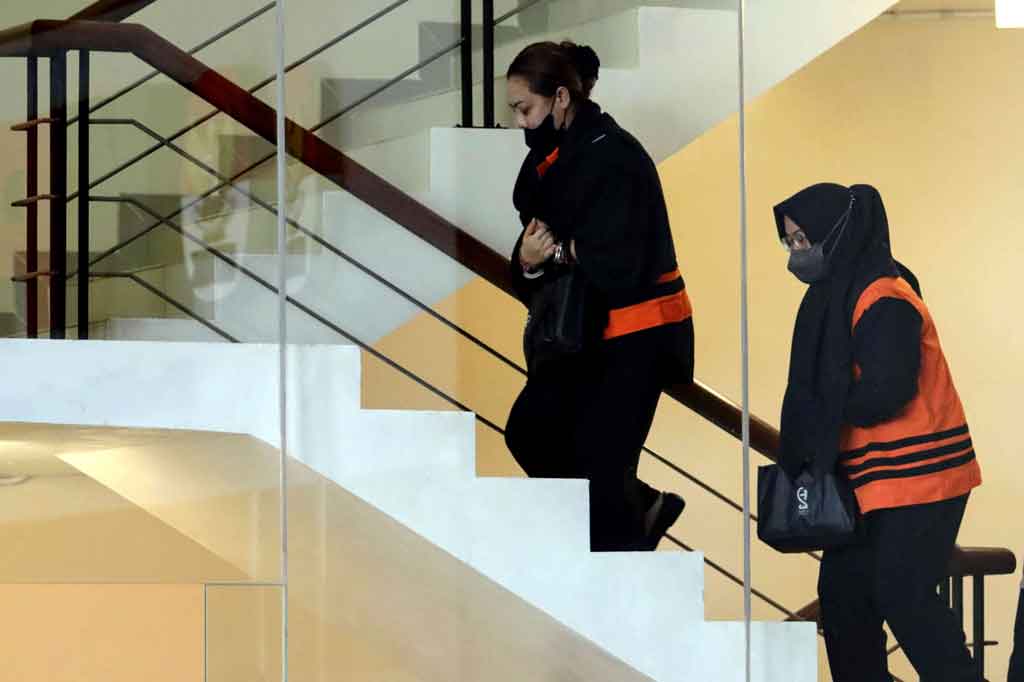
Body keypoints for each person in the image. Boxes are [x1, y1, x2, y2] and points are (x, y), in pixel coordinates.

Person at [774, 182, 983, 681]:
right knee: (843, 600)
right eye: (790, 241)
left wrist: (825, 410)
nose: (797, 253)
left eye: (804, 238)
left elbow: (887, 391)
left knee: (903, 595)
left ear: (836, 231)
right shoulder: (831, 298)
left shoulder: (885, 295)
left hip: (924, 480)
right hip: (867, 483)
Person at [501, 41, 695, 552]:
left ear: (561, 97)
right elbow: (534, 259)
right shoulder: (547, 163)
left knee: (601, 468)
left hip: (640, 334)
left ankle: (629, 530)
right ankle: (641, 505)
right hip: (584, 336)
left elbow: (619, 261)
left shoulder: (615, 155)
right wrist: (530, 260)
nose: (520, 122)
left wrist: (554, 253)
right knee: (530, 432)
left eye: (525, 108)